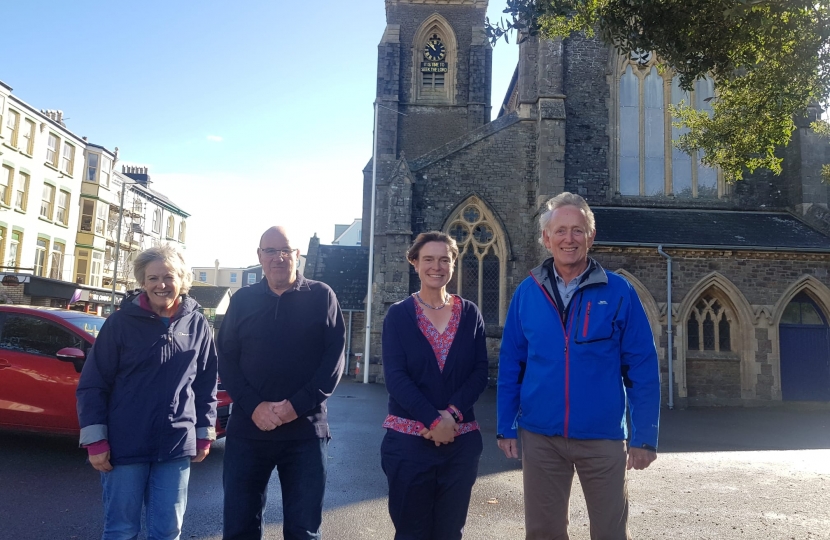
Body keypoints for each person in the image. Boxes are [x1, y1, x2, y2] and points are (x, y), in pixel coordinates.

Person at [497, 192, 660, 540]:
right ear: (545, 238)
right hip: (541, 435)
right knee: (543, 532)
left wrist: (644, 436)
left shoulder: (619, 292)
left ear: (590, 236)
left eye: (577, 230)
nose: (568, 238)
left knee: (609, 532)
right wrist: (505, 426)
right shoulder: (527, 293)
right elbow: (512, 363)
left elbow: (641, 367)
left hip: (602, 437)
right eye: (560, 231)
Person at [76, 245, 218, 540]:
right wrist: (95, 440)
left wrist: (205, 433)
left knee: (167, 531)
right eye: (152, 278)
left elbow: (205, 383)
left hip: (176, 443)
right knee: (121, 530)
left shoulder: (197, 324)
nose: (161, 285)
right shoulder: (120, 323)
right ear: (143, 282)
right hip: (125, 443)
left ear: (182, 279)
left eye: (168, 276)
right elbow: (93, 383)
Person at [218, 226, 346, 540]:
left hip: (305, 431)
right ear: (259, 256)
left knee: (303, 531)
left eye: (285, 250)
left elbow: (334, 360)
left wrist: (295, 407)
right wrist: (254, 406)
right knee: (239, 528)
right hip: (248, 431)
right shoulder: (243, 300)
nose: (279, 257)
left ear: (297, 254)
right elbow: (227, 358)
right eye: (271, 251)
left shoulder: (321, 296)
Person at [380, 231, 489, 540]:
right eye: (428, 259)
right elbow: (396, 377)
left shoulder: (470, 315)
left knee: (449, 532)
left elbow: (480, 372)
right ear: (415, 263)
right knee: (411, 533)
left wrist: (450, 417)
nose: (436, 266)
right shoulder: (398, 315)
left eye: (445, 259)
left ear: (453, 264)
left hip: (460, 445)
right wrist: (431, 419)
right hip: (408, 444)